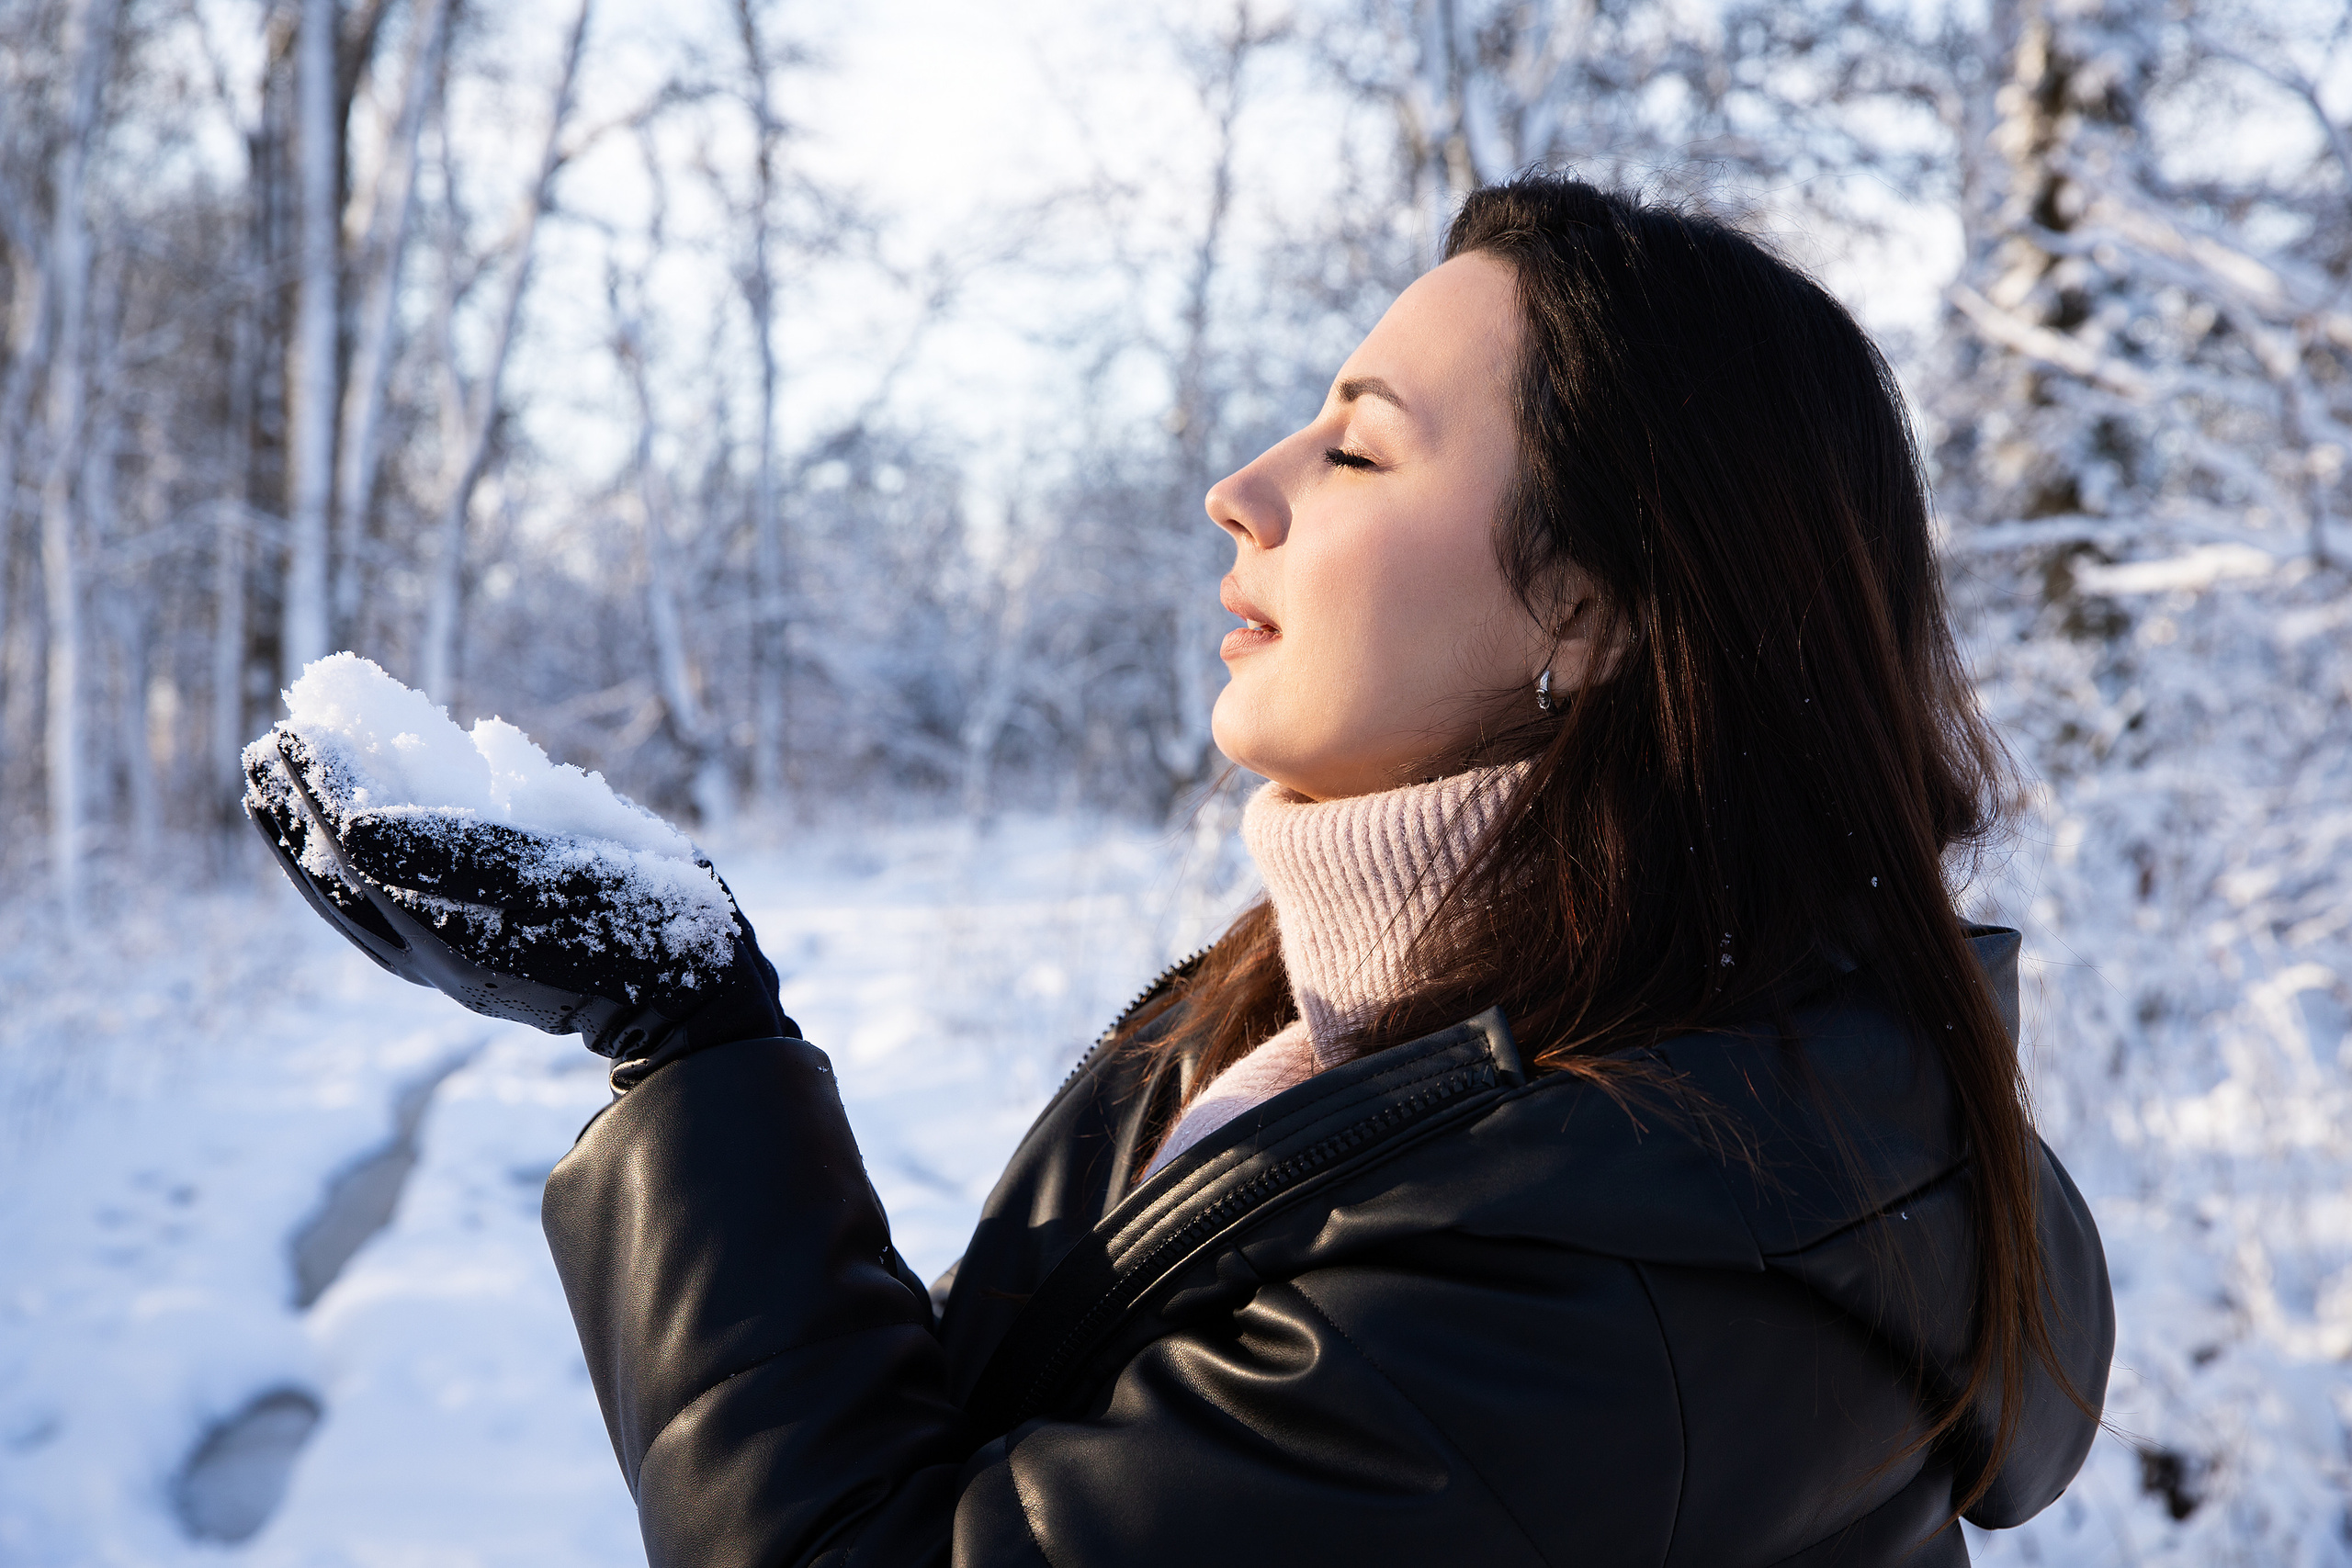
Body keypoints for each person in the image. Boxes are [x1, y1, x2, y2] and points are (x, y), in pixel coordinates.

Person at [252, 175, 2113, 1566]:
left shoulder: (1606, 1285)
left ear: (1598, 605)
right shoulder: (1331, 1038)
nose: (1243, 479)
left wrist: (690, 1042)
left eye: (1360, 445)